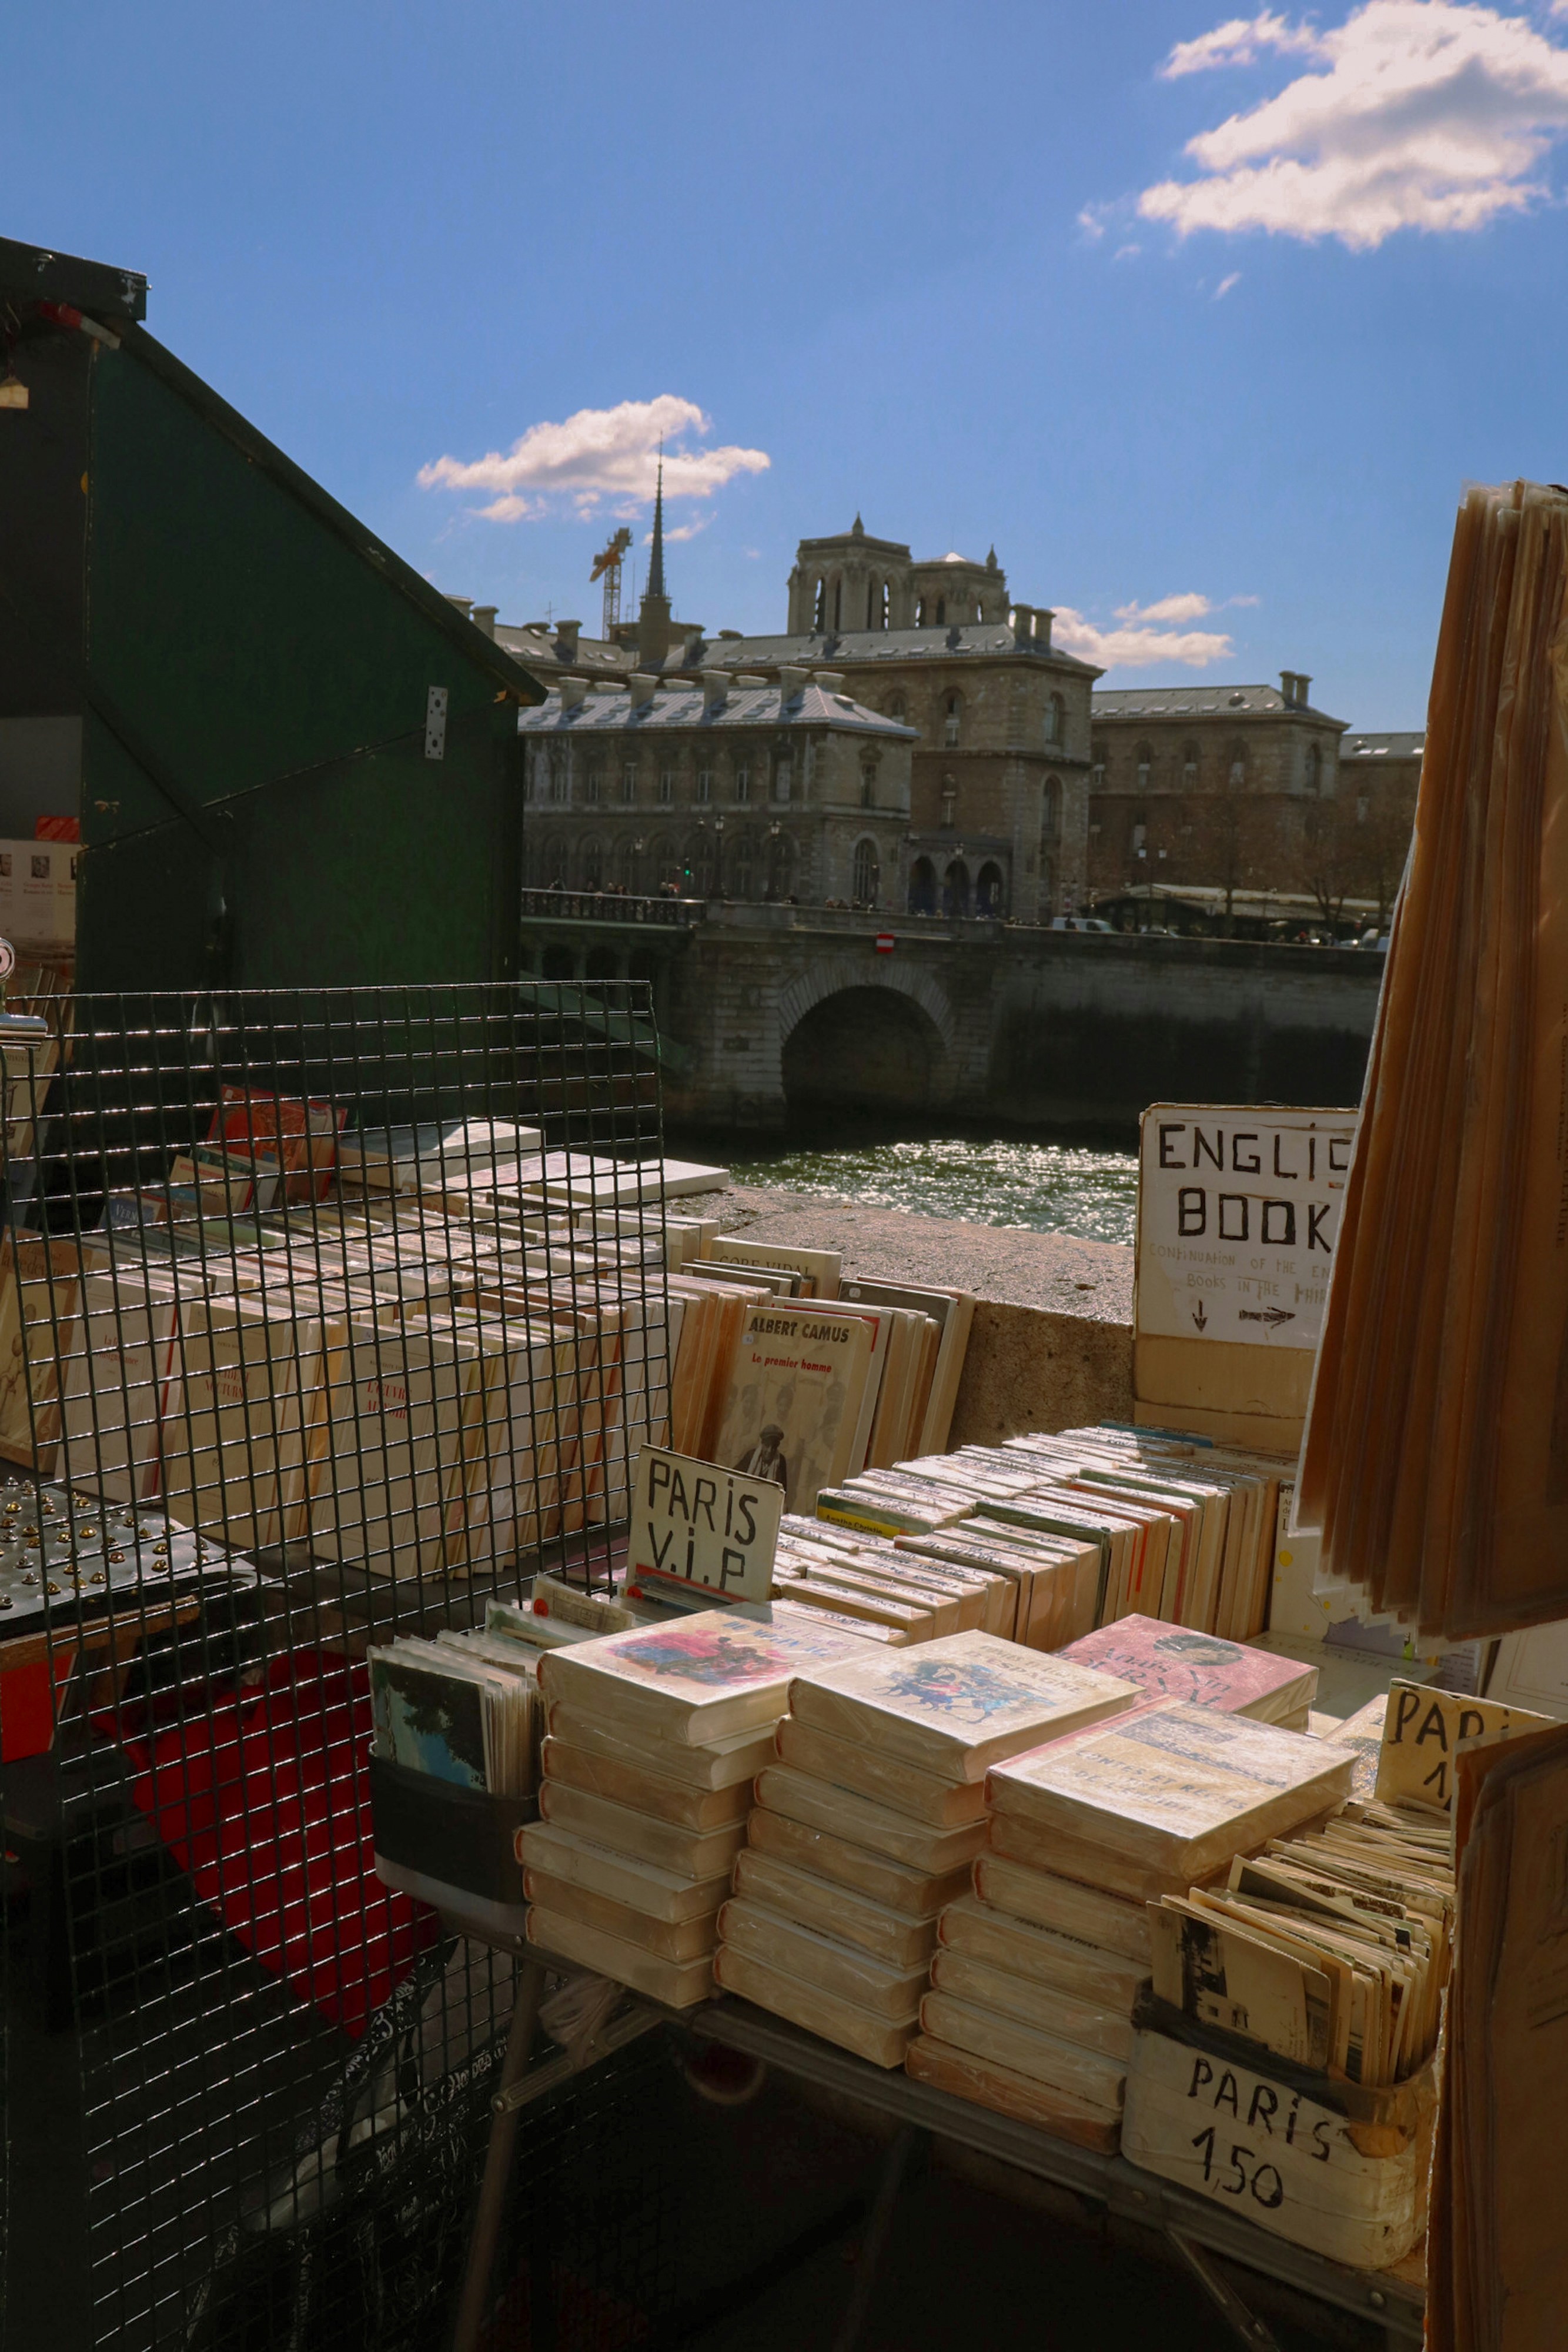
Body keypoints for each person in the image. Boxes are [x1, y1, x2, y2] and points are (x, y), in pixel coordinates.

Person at [734, 1422, 788, 1499]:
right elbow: (734, 1476)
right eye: (767, 1445)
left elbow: (782, 1491)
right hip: (746, 1497)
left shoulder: (780, 1461)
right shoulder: (751, 1456)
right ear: (762, 1444)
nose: (770, 1451)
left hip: (767, 1501)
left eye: (774, 1447)